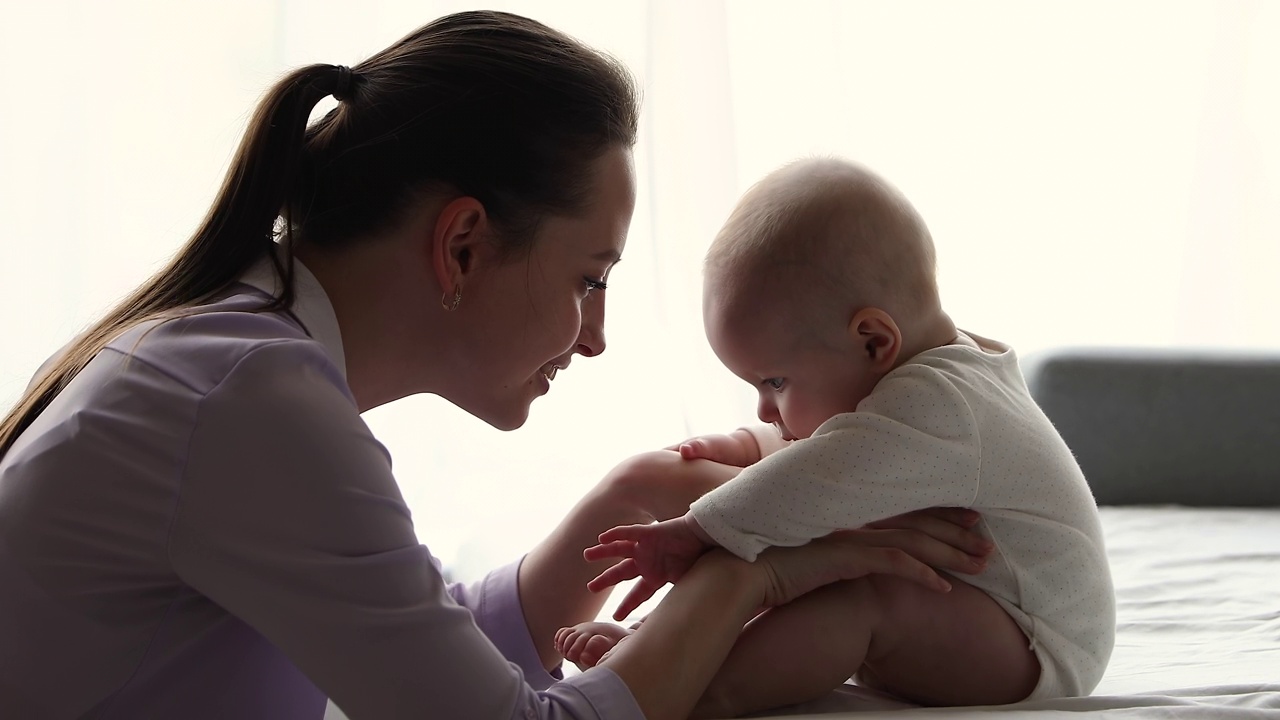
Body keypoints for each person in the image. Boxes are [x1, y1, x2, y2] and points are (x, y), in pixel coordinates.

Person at [0, 13, 995, 720]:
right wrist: (750, 578)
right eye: (588, 277)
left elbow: (419, 656)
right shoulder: (249, 406)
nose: (595, 336)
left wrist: (621, 501)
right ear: (463, 246)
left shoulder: (232, 354)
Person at [557, 158, 1116, 717]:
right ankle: (668, 643)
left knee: (841, 583)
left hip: (1032, 646)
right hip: (973, 609)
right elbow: (838, 451)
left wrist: (694, 529)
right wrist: (751, 445)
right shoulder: (928, 382)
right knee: (810, 548)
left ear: (873, 340)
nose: (764, 407)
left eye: (775, 382)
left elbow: (816, 478)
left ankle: (706, 688)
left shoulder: (942, 405)